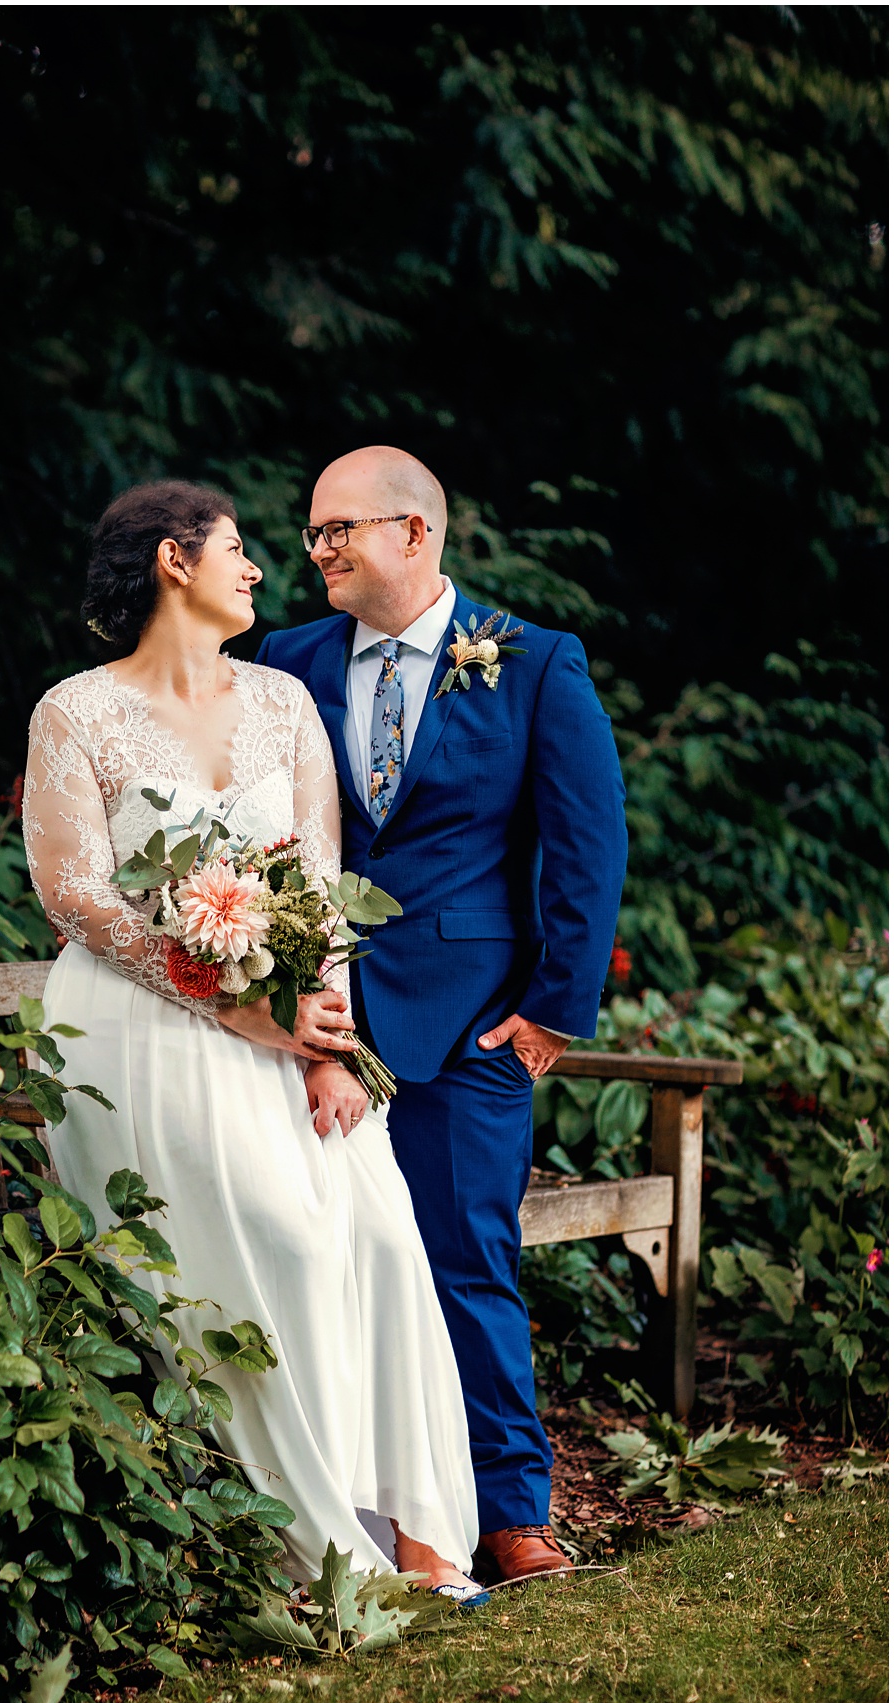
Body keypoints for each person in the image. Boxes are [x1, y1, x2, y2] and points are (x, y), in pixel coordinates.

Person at [21, 479, 484, 1598]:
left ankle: (419, 1538)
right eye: (236, 548)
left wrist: (323, 1036)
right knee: (291, 1234)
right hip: (137, 1028)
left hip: (284, 1028)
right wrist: (228, 1001)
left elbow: (317, 882)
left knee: (377, 1231)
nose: (262, 568)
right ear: (174, 562)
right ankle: (319, 1548)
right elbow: (75, 893)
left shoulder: (283, 702)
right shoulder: (74, 712)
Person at [256, 446, 628, 1584]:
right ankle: (371, 1509)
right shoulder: (287, 662)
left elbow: (587, 843)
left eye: (340, 530)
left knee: (467, 1260)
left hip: (468, 1029)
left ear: (415, 535)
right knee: (322, 1260)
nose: (317, 550)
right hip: (310, 1024)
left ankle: (512, 1513)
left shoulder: (533, 664)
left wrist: (551, 1017)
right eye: (313, 532)